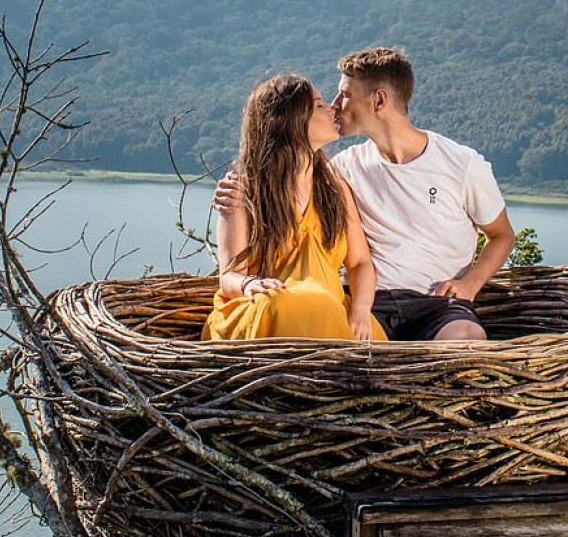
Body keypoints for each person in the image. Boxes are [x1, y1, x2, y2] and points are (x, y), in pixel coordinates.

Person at [216, 48, 515, 342]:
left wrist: (469, 285)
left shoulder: (462, 164)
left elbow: (502, 235)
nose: (334, 105)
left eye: (344, 94)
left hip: (436, 304)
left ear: (379, 100)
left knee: (466, 338)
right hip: (373, 303)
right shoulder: (344, 169)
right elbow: (283, 178)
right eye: (324, 102)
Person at [202, 73, 386, 342]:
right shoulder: (244, 190)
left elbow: (360, 263)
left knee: (370, 339)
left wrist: (359, 310)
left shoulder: (335, 189)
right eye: (319, 105)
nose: (331, 109)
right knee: (307, 305)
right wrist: (249, 284)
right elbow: (229, 276)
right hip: (268, 307)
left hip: (331, 310)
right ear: (290, 120)